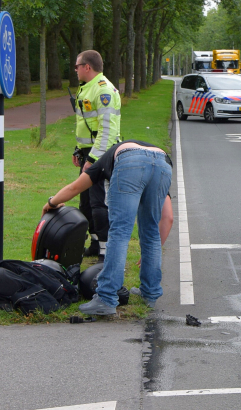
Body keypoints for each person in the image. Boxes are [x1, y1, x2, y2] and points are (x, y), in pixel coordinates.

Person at [42, 140, 173, 315]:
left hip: (130, 163)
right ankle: (150, 293)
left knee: (120, 231)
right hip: (164, 162)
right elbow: (168, 217)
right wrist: (150, 254)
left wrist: (52, 202)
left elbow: (75, 187)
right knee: (150, 232)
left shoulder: (104, 160)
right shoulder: (155, 161)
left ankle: (106, 297)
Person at [72, 50, 121, 262]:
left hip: (101, 154)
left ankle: (105, 249)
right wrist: (78, 149)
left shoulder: (103, 91)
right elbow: (86, 124)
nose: (75, 70)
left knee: (98, 202)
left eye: (77, 66)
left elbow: (108, 131)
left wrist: (92, 160)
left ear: (87, 67)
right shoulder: (87, 88)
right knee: (85, 203)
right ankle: (94, 242)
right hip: (88, 153)